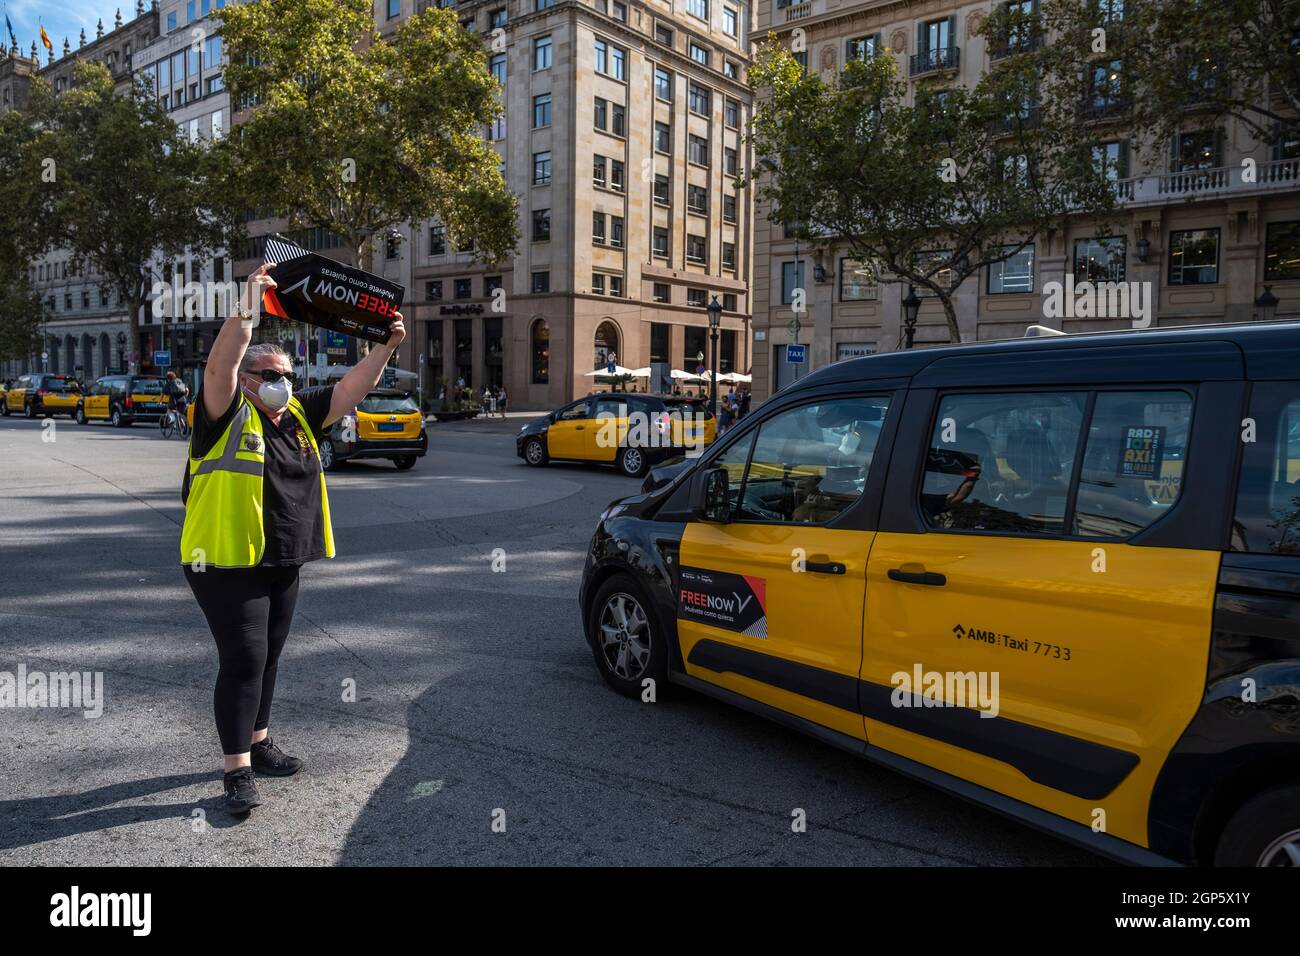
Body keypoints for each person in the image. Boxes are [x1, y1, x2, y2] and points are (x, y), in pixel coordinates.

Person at [180, 262, 406, 817]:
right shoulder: (221, 411)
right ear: (248, 379)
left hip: (282, 555)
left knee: (270, 655)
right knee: (245, 658)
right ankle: (236, 771)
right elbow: (219, 364)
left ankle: (258, 744)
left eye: (287, 370)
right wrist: (247, 309)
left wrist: (388, 343)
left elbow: (354, 388)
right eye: (270, 372)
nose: (283, 379)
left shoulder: (299, 413)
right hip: (226, 560)